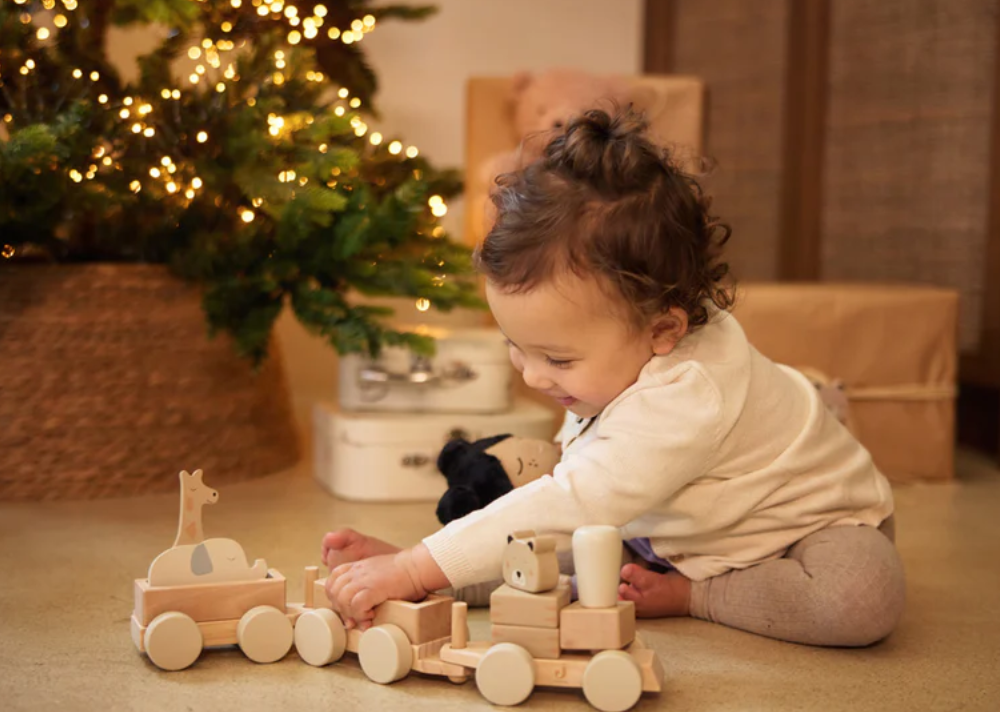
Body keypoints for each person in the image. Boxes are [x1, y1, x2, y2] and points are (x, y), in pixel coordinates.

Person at [322, 106, 905, 647]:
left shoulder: (689, 394)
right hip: (672, 531)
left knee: (856, 598)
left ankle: (700, 596)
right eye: (515, 348)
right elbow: (569, 506)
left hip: (803, 530)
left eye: (557, 359)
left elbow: (572, 500)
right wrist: (421, 564)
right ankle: (436, 581)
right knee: (576, 550)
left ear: (663, 331)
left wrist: (412, 564)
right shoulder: (619, 349)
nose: (532, 377)